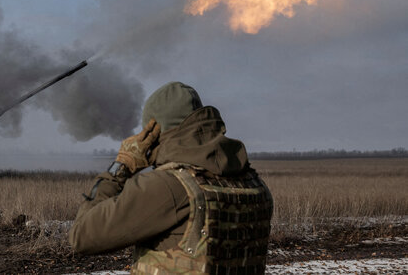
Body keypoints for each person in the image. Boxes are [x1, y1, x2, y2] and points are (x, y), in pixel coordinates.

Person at [69, 82, 273, 274]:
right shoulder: (254, 184)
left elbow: (82, 236)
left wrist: (121, 166)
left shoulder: (167, 186)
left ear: (153, 131)